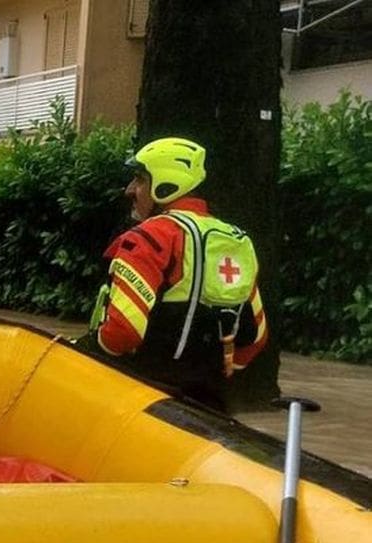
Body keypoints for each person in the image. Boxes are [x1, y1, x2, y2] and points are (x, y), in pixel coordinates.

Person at [86, 137, 268, 409]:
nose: (130, 190)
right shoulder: (235, 240)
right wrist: (211, 376)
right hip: (211, 405)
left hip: (144, 399)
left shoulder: (150, 237)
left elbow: (123, 332)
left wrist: (85, 355)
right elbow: (256, 337)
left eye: (139, 180)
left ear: (164, 184)